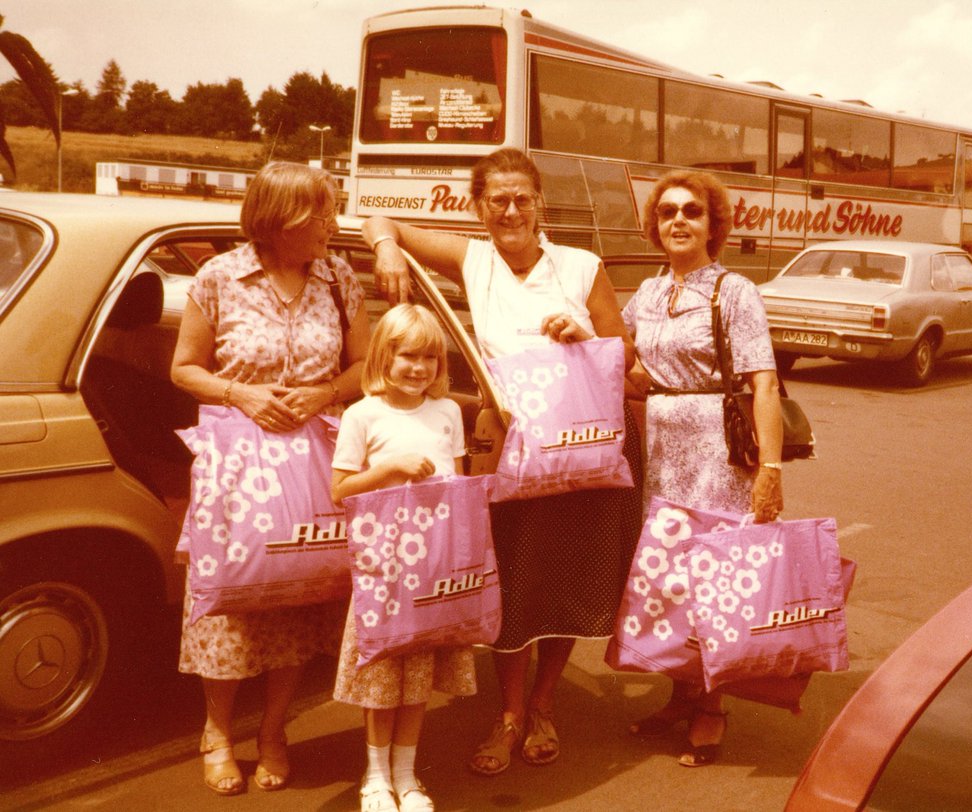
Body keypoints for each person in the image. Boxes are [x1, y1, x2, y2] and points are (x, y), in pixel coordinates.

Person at [362, 147, 643, 776]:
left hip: (578, 453)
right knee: (510, 582)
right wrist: (385, 250)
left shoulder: (581, 266)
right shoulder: (475, 258)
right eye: (497, 200)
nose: (511, 210)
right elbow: (381, 222)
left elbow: (622, 355)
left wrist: (583, 338)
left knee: (568, 579)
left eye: (522, 197)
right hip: (508, 450)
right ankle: (510, 712)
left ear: (540, 202)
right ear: (478, 207)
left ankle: (543, 704)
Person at [171, 161, 370, 795]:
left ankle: (275, 732)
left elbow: (366, 366)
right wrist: (243, 396)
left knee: (300, 592)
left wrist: (323, 394)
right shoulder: (219, 277)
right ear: (281, 218)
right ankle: (217, 734)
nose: (332, 225)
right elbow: (185, 369)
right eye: (321, 213)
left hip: (311, 457)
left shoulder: (338, 277)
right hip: (236, 461)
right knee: (230, 598)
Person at [622, 169, 784, 767]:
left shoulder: (734, 291)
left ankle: (712, 707)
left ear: (713, 225)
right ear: (655, 225)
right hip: (662, 448)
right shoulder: (646, 293)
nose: (678, 221)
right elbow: (634, 370)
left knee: (716, 577)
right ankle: (680, 693)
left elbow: (762, 381)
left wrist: (770, 468)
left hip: (718, 454)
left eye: (692, 211)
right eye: (667, 212)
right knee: (669, 578)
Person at [331, 303, 476, 812]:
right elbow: (339, 490)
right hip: (383, 566)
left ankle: (408, 776)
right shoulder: (362, 414)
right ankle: (375, 779)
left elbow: (457, 485)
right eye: (407, 356)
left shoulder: (448, 412)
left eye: (430, 359)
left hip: (433, 564)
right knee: (382, 674)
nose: (419, 368)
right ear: (383, 358)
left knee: (418, 675)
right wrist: (391, 466)